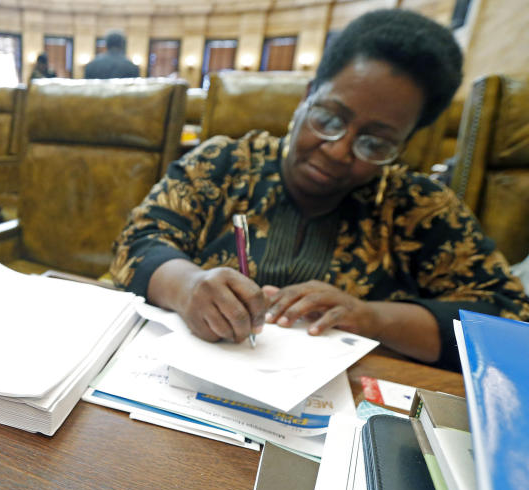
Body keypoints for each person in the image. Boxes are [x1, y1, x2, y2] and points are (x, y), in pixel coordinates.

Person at [109, 9, 529, 371]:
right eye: (329, 118)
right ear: (307, 97)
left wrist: (371, 318)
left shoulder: (418, 208)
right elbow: (138, 242)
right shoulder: (224, 165)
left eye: (375, 143)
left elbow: (509, 322)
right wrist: (188, 285)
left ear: (405, 142)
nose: (338, 150)